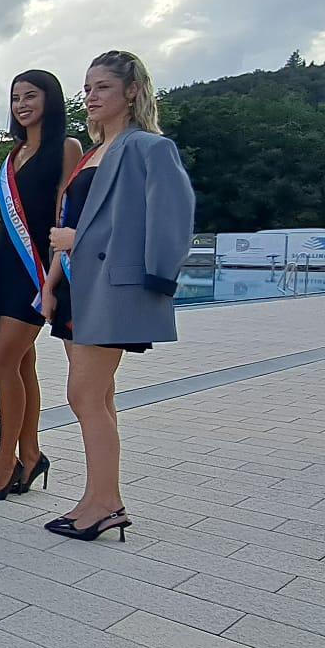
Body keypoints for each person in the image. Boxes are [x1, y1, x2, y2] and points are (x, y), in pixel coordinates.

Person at [39, 50, 194, 542]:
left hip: (111, 289)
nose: (90, 96)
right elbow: (73, 224)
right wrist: (50, 284)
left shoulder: (149, 147)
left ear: (131, 91)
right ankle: (97, 498)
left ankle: (105, 503)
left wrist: (81, 244)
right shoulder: (91, 153)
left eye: (101, 87)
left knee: (83, 395)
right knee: (98, 397)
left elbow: (169, 222)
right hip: (77, 290)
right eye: (86, 88)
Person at [0, 69, 82, 501]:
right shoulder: (12, 154)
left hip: (39, 266)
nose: (22, 104)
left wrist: (55, 278)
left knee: (2, 357)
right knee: (21, 362)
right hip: (5, 263)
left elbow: (66, 215)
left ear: (50, 100)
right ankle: (32, 451)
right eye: (16, 97)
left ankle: (6, 460)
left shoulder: (68, 147)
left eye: (31, 96)